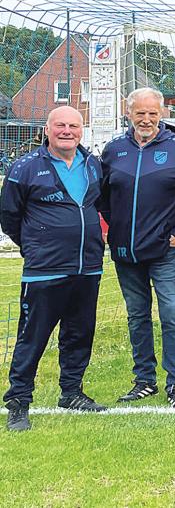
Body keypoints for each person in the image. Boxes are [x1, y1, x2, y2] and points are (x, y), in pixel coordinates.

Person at [100, 87, 175, 409]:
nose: (146, 119)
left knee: (172, 314)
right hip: (125, 252)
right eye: (140, 113)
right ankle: (144, 381)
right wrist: (114, 228)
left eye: (152, 113)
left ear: (162, 113)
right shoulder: (114, 150)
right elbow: (103, 197)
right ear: (128, 112)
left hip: (165, 250)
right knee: (137, 316)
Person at [1, 106, 106, 431]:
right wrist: (34, 246)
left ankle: (71, 392)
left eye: (73, 126)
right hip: (45, 270)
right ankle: (19, 401)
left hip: (87, 268)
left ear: (81, 130)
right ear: (47, 129)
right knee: (32, 337)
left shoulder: (93, 164)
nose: (67, 131)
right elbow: (9, 215)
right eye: (60, 125)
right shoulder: (25, 168)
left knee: (79, 334)